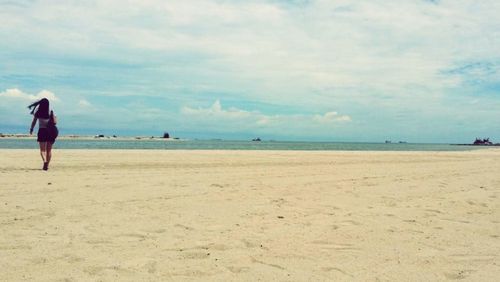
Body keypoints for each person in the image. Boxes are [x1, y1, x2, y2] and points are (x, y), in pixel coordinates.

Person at [28, 98, 58, 170]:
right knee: (49, 150)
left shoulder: (38, 112)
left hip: (42, 131)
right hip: (50, 131)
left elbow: (34, 122)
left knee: (42, 150)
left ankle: (45, 161)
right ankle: (47, 165)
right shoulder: (51, 112)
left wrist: (31, 129)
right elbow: (55, 122)